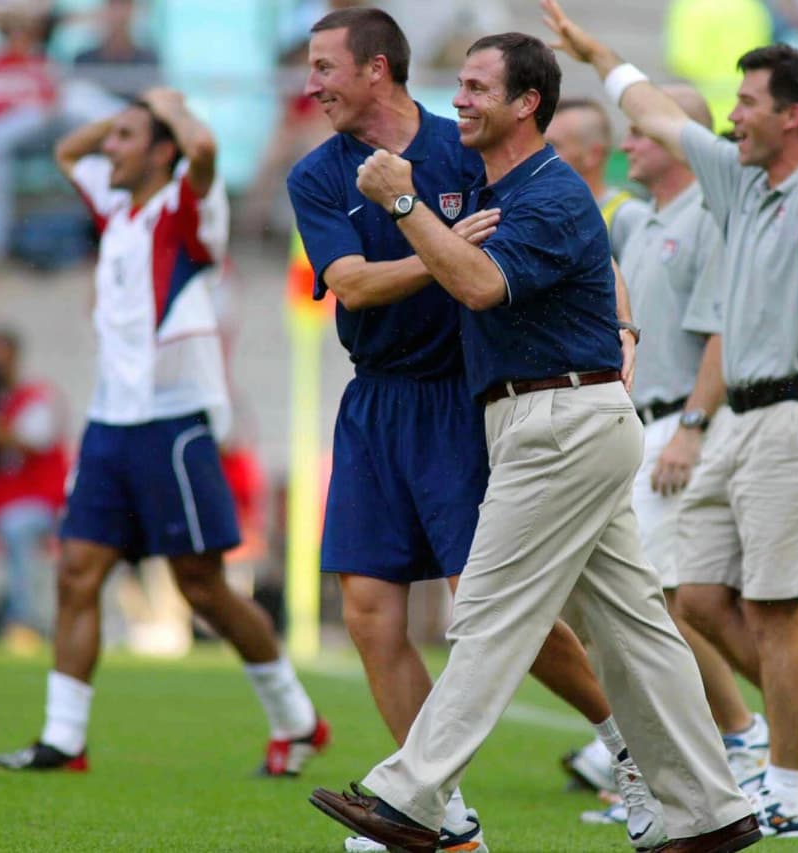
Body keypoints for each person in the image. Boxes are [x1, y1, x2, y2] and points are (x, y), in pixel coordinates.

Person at [309, 30, 760, 853]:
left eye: (479, 87)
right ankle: (710, 811)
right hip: (553, 417)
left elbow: (479, 285)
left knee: (484, 612)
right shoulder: (512, 184)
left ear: (527, 103)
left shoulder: (548, 192)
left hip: (557, 420)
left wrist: (405, 205)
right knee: (635, 630)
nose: (462, 99)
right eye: (464, 85)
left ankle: (413, 799)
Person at [543, 0, 798, 836]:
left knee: (773, 610)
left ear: (792, 117)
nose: (734, 116)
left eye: (748, 104)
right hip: (744, 421)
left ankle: (788, 782)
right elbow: (657, 111)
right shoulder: (740, 177)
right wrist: (597, 54)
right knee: (694, 597)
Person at [0, 88, 328, 777]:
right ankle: (64, 738)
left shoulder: (186, 209)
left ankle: (296, 718)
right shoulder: (116, 204)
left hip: (175, 424)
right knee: (78, 572)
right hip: (111, 426)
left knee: (203, 588)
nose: (107, 146)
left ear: (161, 151)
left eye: (124, 139)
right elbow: (65, 149)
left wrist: (169, 109)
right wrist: (128, 116)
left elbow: (202, 150)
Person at [0, 326, 68, 650]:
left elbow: (30, 442)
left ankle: (22, 623)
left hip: (34, 502)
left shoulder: (36, 397)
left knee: (16, 527)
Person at [0, 4, 57, 263]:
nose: (19, 38)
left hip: (27, 132)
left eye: (24, 32)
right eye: (13, 32)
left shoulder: (40, 65)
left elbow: (47, 109)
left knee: (25, 117)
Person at [544, 97, 638, 232]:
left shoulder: (628, 218)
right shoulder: (544, 213)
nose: (540, 154)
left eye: (553, 145)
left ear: (594, 155)